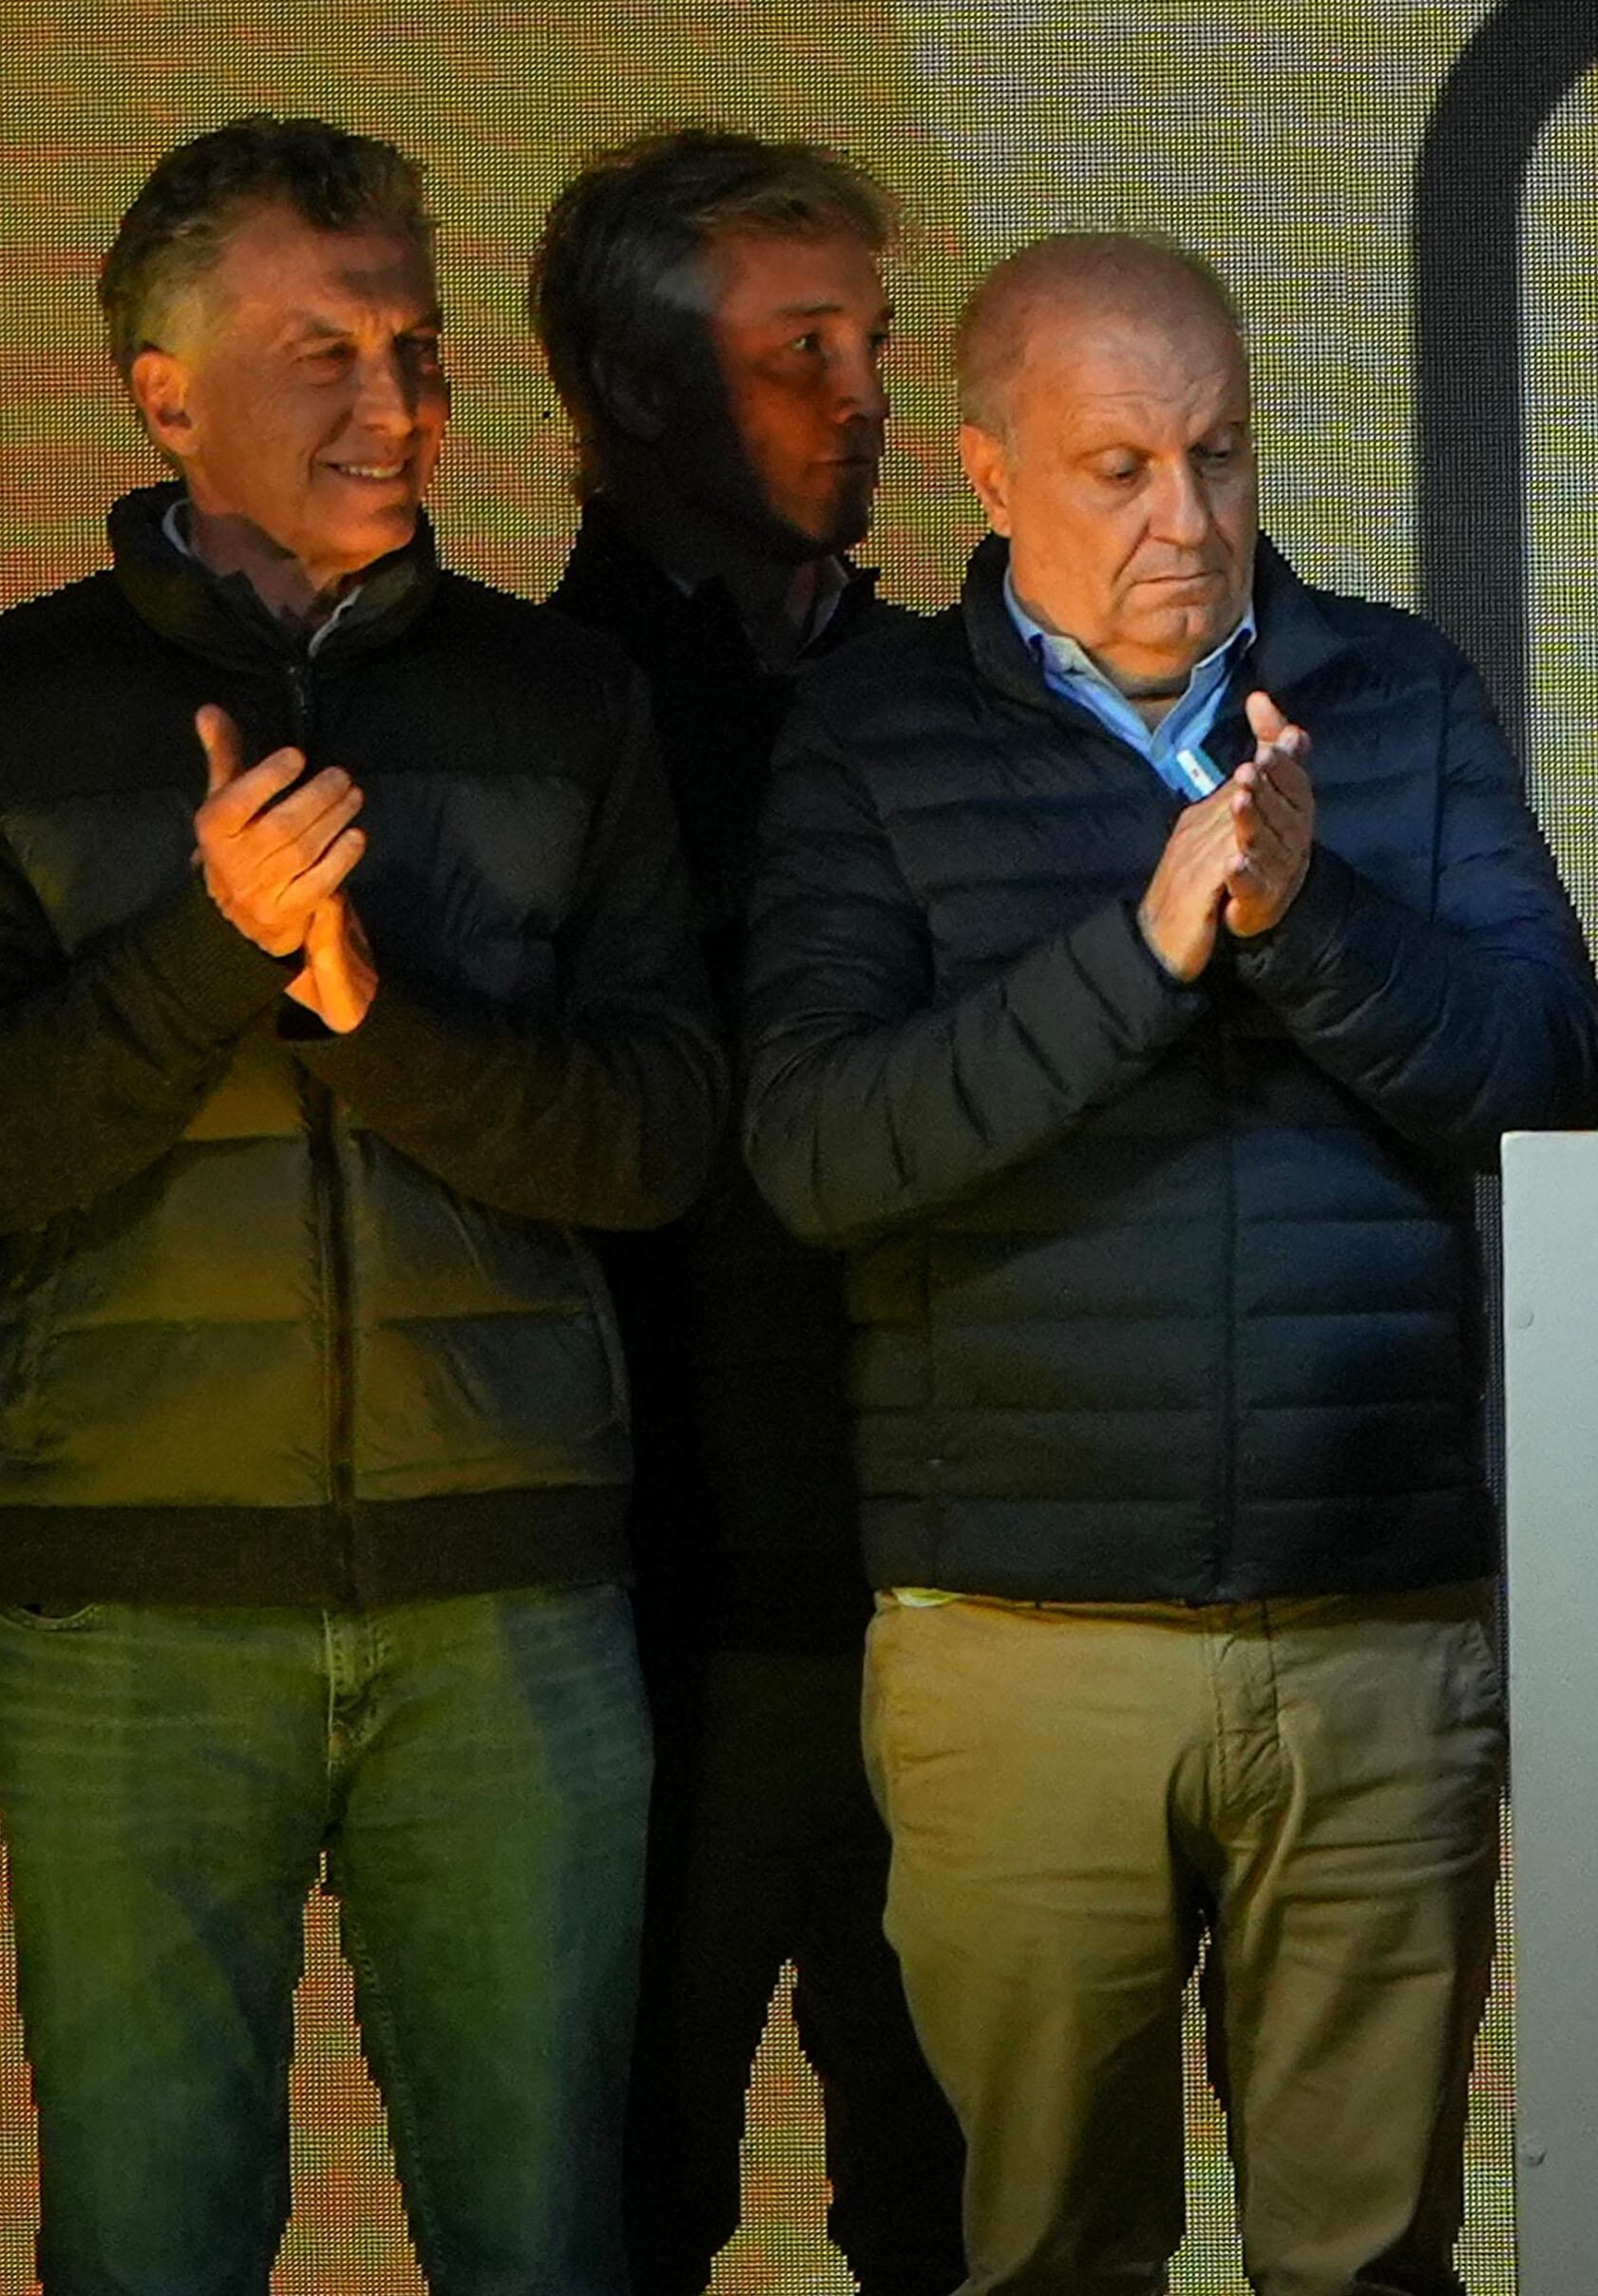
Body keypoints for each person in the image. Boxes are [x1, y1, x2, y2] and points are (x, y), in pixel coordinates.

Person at [742, 230, 1598, 2295]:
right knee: (1047, 2251)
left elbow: (1541, 1062)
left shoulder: (1393, 694)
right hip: (1018, 1649)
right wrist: (1141, 947)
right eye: (1118, 465)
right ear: (984, 471)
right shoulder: (873, 736)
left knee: (1369, 2256)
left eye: (1217, 453)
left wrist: (1308, 918)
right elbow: (817, 1149)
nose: (1188, 517)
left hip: (1377, 1631)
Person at [0, 118, 718, 2288]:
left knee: (540, 2247)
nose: (397, 405)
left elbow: (658, 1135)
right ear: (163, 391)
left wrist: (357, 1002)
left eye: (416, 345)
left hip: (510, 1616)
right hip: (129, 1614)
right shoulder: (10, 712)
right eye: (323, 349)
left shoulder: (569, 699)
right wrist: (214, 942)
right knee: (146, 2249)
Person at [525, 126, 964, 2296]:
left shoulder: (954, 704)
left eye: (871, 344)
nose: (864, 392)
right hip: (639, 1627)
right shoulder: (518, 727)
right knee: (616, 2214)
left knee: (971, 2223)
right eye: (803, 348)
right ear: (633, 384)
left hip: (956, 1611)